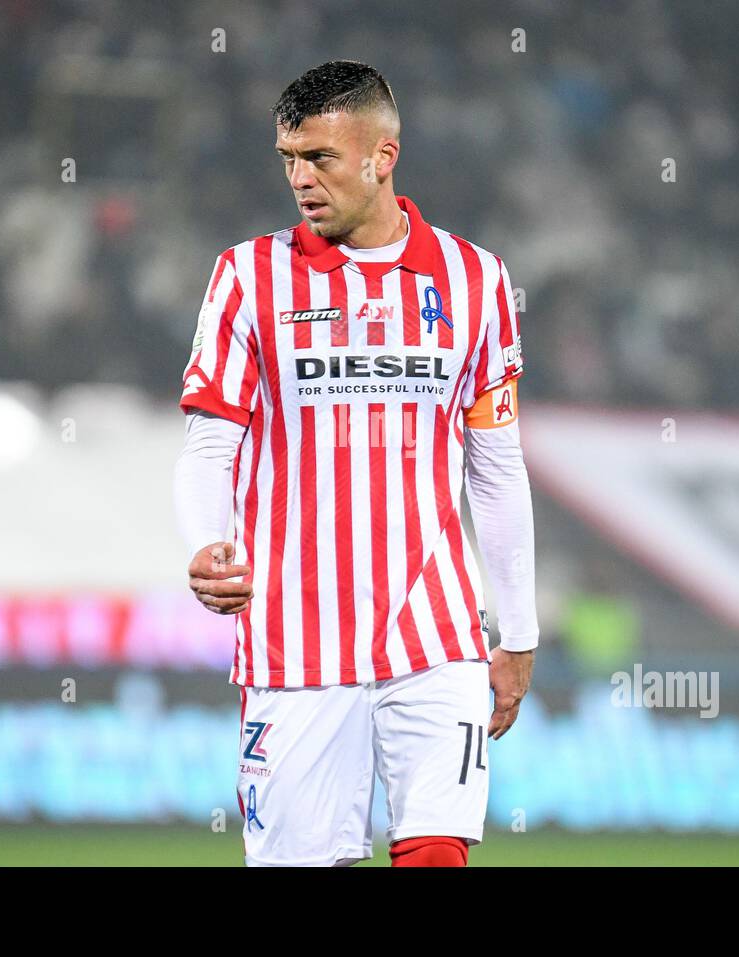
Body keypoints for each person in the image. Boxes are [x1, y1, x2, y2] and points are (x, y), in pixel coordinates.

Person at [172, 60, 538, 867]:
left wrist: (518, 630)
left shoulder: (477, 280)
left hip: (436, 634)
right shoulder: (246, 277)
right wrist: (204, 541)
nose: (300, 179)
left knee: (437, 854)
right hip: (296, 641)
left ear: (383, 155)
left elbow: (498, 466)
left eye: (321, 158)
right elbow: (207, 445)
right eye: (288, 159)